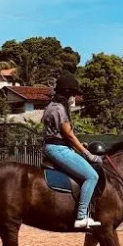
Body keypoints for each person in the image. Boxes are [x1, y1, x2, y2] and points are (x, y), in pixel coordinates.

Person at [42, 73, 103, 230]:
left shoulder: (50, 106)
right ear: (67, 93)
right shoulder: (60, 109)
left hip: (55, 146)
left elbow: (63, 135)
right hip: (59, 148)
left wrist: (77, 145)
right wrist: (87, 153)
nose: (73, 98)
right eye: (73, 94)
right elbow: (68, 134)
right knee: (92, 176)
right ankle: (82, 216)